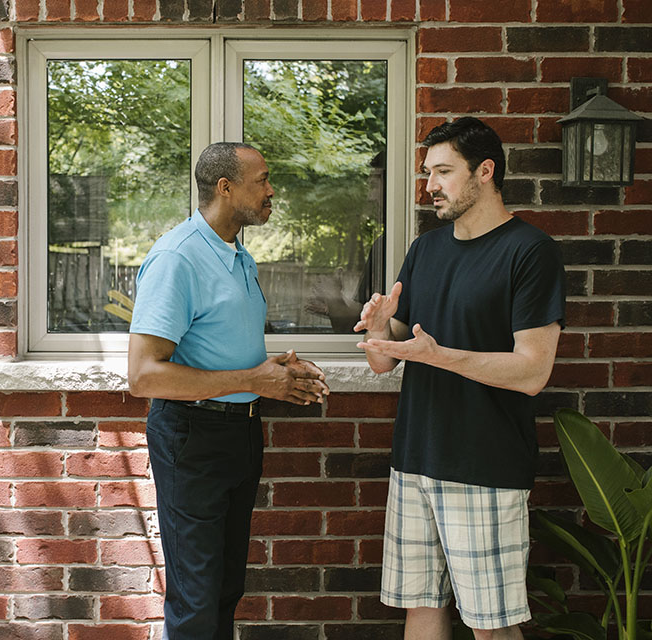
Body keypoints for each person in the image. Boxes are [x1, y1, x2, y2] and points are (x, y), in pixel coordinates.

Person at [353, 117, 566, 640]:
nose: (430, 185)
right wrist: (379, 329)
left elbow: (533, 371)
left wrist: (439, 355)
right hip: (415, 459)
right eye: (428, 172)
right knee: (420, 609)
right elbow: (384, 362)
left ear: (485, 171)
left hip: (484, 464)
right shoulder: (426, 249)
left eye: (443, 172)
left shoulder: (530, 251)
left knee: (492, 626)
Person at [127, 141, 330, 640]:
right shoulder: (177, 257)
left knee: (224, 590)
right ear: (225, 188)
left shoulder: (239, 256)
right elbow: (144, 375)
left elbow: (224, 345)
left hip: (241, 434)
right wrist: (252, 379)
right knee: (195, 600)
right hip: (191, 440)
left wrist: (276, 370)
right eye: (262, 180)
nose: (271, 190)